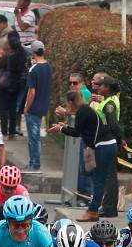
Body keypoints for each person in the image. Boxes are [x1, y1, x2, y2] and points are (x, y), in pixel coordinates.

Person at [49, 90, 115, 222]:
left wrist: (61, 129)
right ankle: (94, 210)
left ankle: (92, 211)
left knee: (99, 181)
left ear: (70, 102)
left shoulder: (83, 112)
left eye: (67, 103)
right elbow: (81, 130)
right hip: (106, 145)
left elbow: (75, 132)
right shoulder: (84, 110)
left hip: (104, 146)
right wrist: (65, 126)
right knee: (97, 179)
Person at [92, 74, 122, 218]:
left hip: (107, 142)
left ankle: (109, 208)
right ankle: (108, 206)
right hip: (107, 142)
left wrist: (117, 138)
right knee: (109, 175)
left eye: (102, 85)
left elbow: (113, 124)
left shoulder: (109, 104)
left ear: (108, 88)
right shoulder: (110, 100)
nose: (99, 87)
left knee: (108, 176)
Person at [22, 40, 52, 171]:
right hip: (43, 107)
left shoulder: (33, 70)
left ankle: (34, 164)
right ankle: (33, 163)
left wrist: (26, 108)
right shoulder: (48, 66)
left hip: (34, 108)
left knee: (33, 138)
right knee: (36, 137)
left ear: (33, 52)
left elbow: (31, 92)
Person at [0, 30, 27, 139]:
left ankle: (4, 131)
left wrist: (1, 56)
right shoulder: (22, 53)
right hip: (16, 85)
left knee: (3, 109)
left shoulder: (8, 55)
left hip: (5, 85)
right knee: (13, 109)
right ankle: (12, 132)